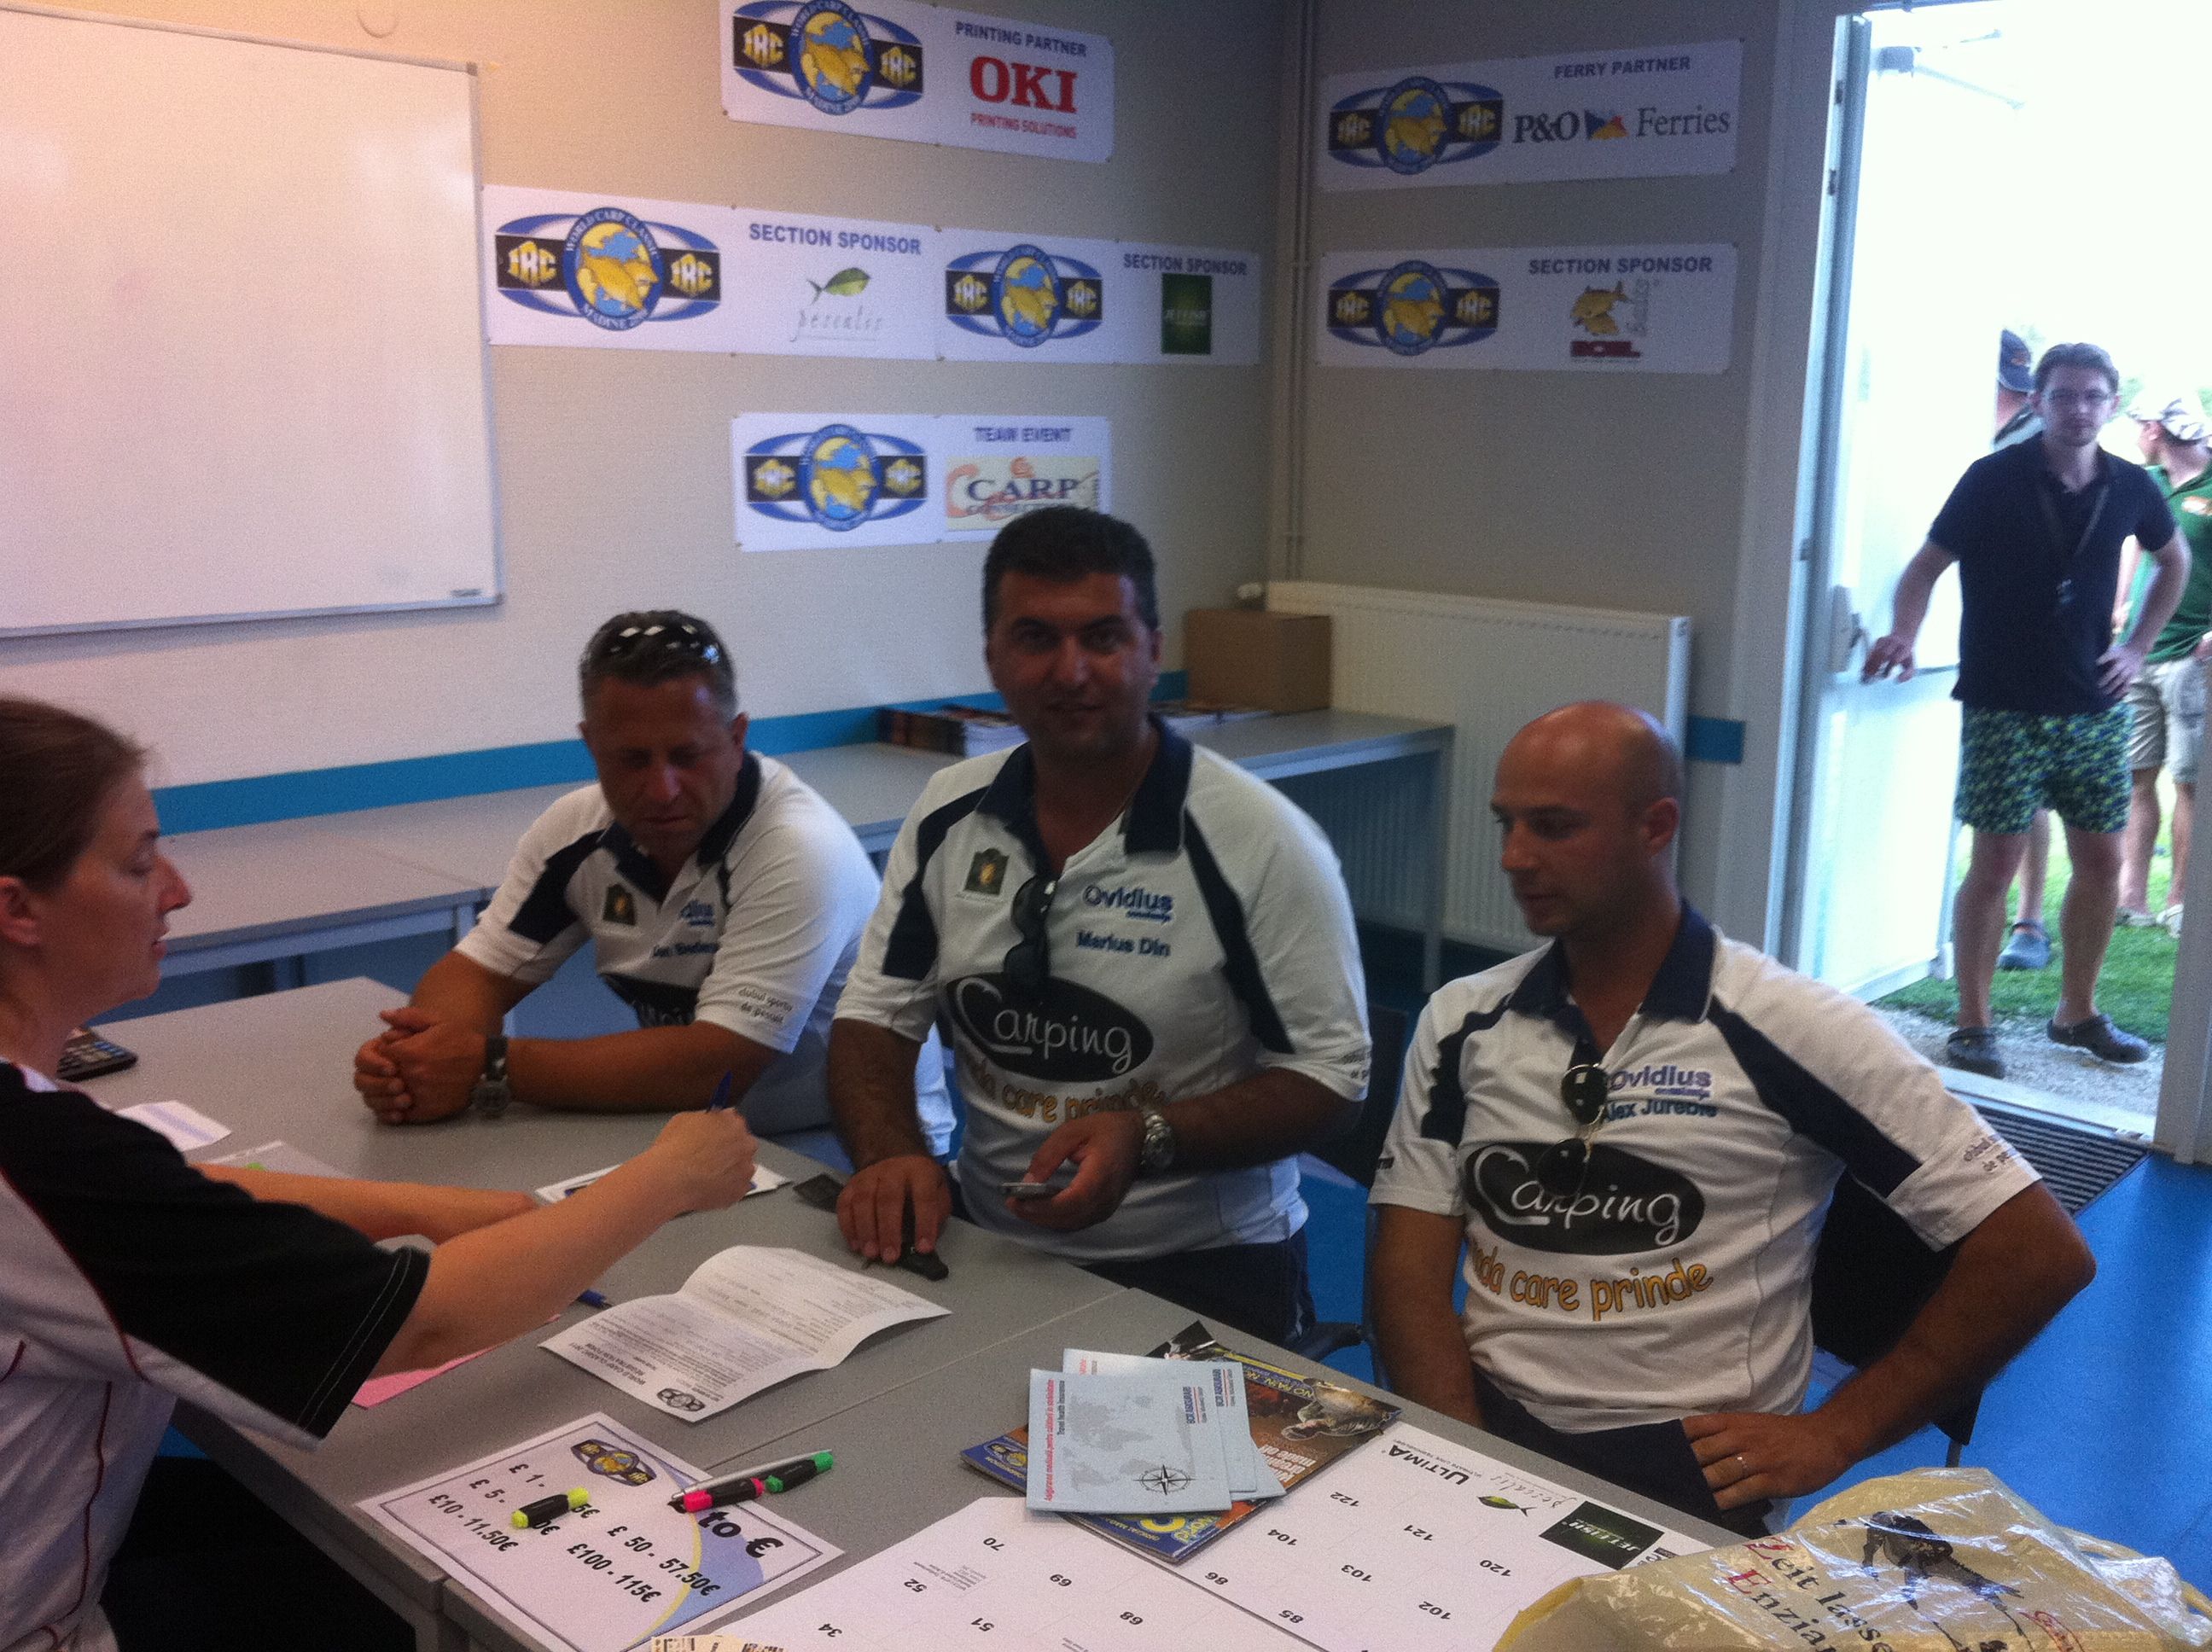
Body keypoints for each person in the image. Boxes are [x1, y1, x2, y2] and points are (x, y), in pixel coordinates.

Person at [0, 695, 761, 1652]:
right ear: (16, 909)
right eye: (140, 862)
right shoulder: (38, 1159)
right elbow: (420, 1323)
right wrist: (668, 1176)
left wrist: (438, 1207)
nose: (179, 891)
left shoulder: (44, 1142)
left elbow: (177, 1202)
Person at [1366, 702, 2095, 1535]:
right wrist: (1459, 1458)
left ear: (1656, 826)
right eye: (1508, 823)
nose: (1515, 857)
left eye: (1555, 827)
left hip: (1684, 1463)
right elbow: (1410, 1264)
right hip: (1487, 1420)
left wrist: (1838, 1432)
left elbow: (2039, 1252)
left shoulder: (1794, 1027)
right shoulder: (1463, 1018)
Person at [826, 506, 1371, 1344]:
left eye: (1104, 638)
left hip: (1206, 1267)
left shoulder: (1259, 840)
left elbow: (1333, 1076)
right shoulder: (948, 811)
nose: (1071, 670)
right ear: (993, 658)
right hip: (991, 1243)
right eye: (1036, 638)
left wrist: (1149, 1137)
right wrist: (891, 1151)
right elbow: (876, 1015)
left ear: (1153, 650)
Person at [353, 609, 951, 1146]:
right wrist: (418, 1061)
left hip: (854, 1143)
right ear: (591, 745)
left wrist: (488, 1065)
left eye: (687, 756)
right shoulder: (573, 832)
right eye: (632, 759)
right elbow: (478, 975)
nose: (662, 790)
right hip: (700, 1125)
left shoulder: (796, 847)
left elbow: (715, 1065)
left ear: (736, 738)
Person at [1865, 342, 2190, 1080]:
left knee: (2102, 861)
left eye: (2093, 396)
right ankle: (1974, 1023)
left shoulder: (2131, 485)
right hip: (2003, 704)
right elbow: (1924, 568)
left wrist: (2138, 647)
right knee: (1995, 864)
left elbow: (2174, 561)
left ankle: (2077, 1012)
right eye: (2064, 395)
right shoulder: (1992, 479)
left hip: (2094, 706)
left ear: (2112, 405)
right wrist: (1904, 635)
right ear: (2039, 402)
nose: (2078, 409)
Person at [2116, 394, 2212, 936]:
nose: (2135, 434)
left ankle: (2179, 901)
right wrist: (2120, 602)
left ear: (2155, 429)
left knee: (2189, 782)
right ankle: (2132, 897)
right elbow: (2135, 545)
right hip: (2139, 652)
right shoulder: (2148, 483)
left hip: (2193, 656)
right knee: (2137, 777)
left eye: (2137, 424)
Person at [1992, 329, 2055, 971]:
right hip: (1977, 639)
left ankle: (2030, 921)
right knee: (1992, 795)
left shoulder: (2037, 446)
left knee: (2029, 792)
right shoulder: (1972, 444)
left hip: (2035, 646)